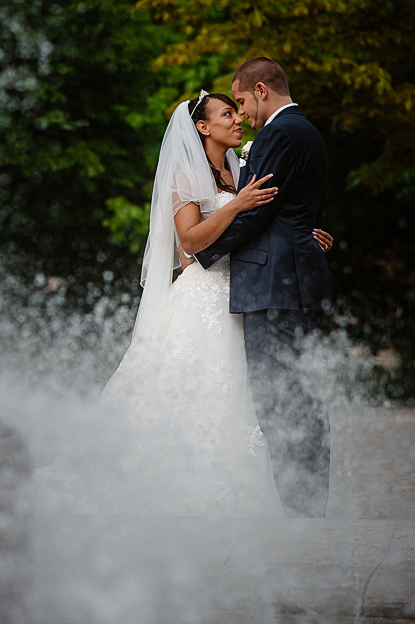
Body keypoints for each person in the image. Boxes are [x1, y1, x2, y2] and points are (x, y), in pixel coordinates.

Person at [100, 89, 332, 517]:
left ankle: (271, 496)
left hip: (248, 291)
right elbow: (188, 241)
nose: (237, 119)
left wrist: (302, 238)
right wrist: (237, 204)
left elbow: (263, 223)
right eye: (227, 114)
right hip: (203, 294)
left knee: (252, 392)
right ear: (203, 127)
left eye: (237, 110)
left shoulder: (241, 166)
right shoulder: (185, 175)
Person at [192, 58, 333, 518]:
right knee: (302, 393)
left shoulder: (276, 133)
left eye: (241, 101)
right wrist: (302, 235)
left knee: (278, 397)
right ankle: (310, 503)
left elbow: (257, 210)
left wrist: (204, 257)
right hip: (295, 274)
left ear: (260, 89)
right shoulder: (307, 130)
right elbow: (291, 210)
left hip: (271, 281)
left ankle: (300, 509)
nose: (241, 113)